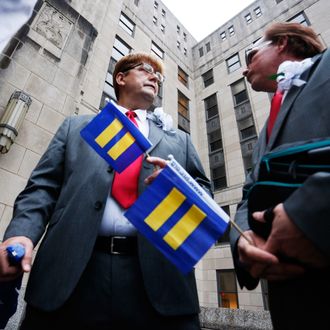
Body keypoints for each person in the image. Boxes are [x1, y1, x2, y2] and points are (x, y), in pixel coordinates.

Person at [0, 52, 211, 329]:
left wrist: (176, 187)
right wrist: (21, 235)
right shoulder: (76, 127)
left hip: (160, 281)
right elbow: (42, 188)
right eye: (146, 70)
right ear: (121, 78)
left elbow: (205, 195)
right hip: (72, 275)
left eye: (158, 76)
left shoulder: (180, 140)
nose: (154, 78)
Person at [230, 22, 330, 329]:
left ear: (282, 43)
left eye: (250, 57)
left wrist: (310, 215)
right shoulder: (264, 134)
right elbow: (249, 193)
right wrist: (243, 240)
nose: (244, 72)